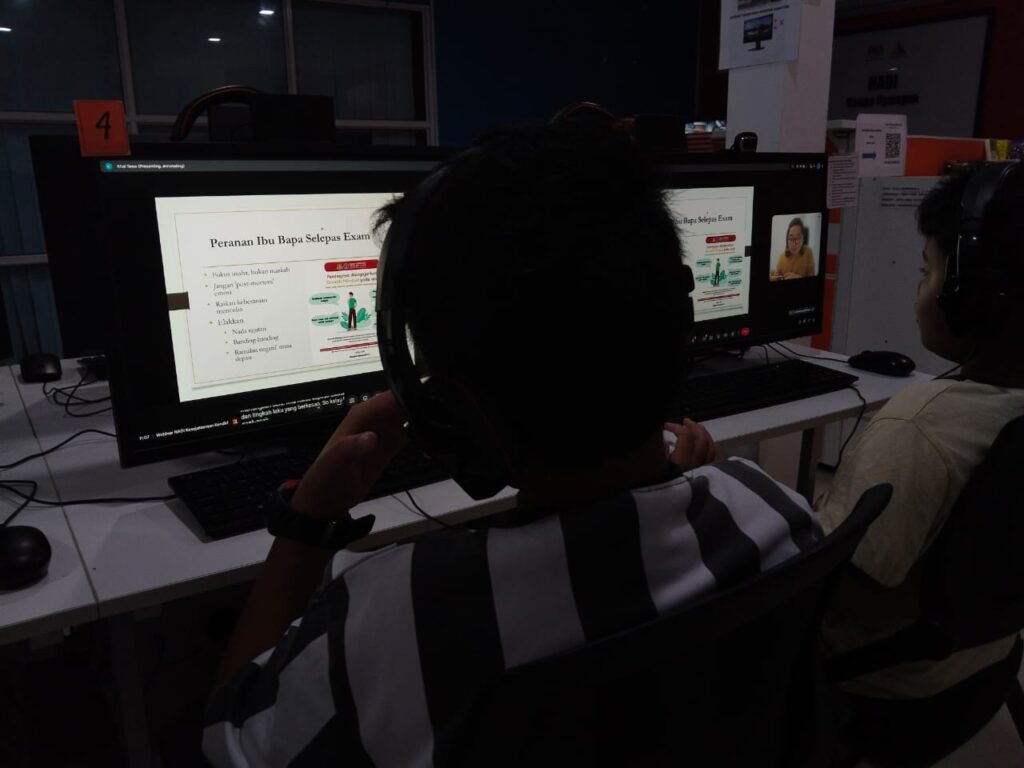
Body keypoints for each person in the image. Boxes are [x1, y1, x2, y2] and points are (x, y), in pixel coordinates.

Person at [202, 121, 821, 767]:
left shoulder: (387, 620)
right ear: (676, 328)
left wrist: (306, 523)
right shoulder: (776, 513)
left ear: (446, 410)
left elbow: (228, 738)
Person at [816, 164, 1024, 703]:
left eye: (927, 271)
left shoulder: (918, 425)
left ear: (971, 295)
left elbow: (838, 584)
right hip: (987, 661)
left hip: (886, 680)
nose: (918, 288)